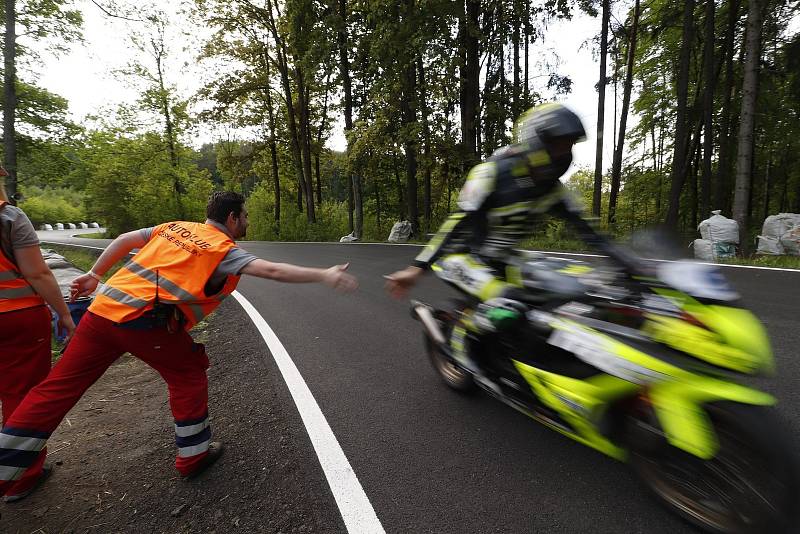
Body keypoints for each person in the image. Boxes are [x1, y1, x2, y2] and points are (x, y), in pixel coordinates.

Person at [0, 191, 357, 496]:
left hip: (101, 313)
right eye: (245, 217)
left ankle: (6, 468)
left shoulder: (174, 227)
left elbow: (125, 239)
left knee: (55, 389)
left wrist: (94, 274)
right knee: (188, 373)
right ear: (232, 218)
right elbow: (274, 271)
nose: (246, 223)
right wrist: (323, 274)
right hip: (145, 324)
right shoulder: (222, 249)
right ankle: (193, 456)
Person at [385, 103, 637, 378]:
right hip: (464, 257)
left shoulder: (553, 189)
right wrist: (417, 269)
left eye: (568, 145)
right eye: (557, 144)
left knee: (573, 287)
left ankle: (536, 354)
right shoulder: (491, 173)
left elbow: (590, 232)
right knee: (510, 304)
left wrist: (631, 265)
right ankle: (481, 351)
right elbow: (456, 224)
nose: (563, 153)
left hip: (506, 257)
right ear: (535, 141)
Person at [0, 175, 76, 503]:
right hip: (15, 316)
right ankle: (20, 477)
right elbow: (38, 272)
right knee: (22, 394)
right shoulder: (10, 217)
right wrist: (64, 313)